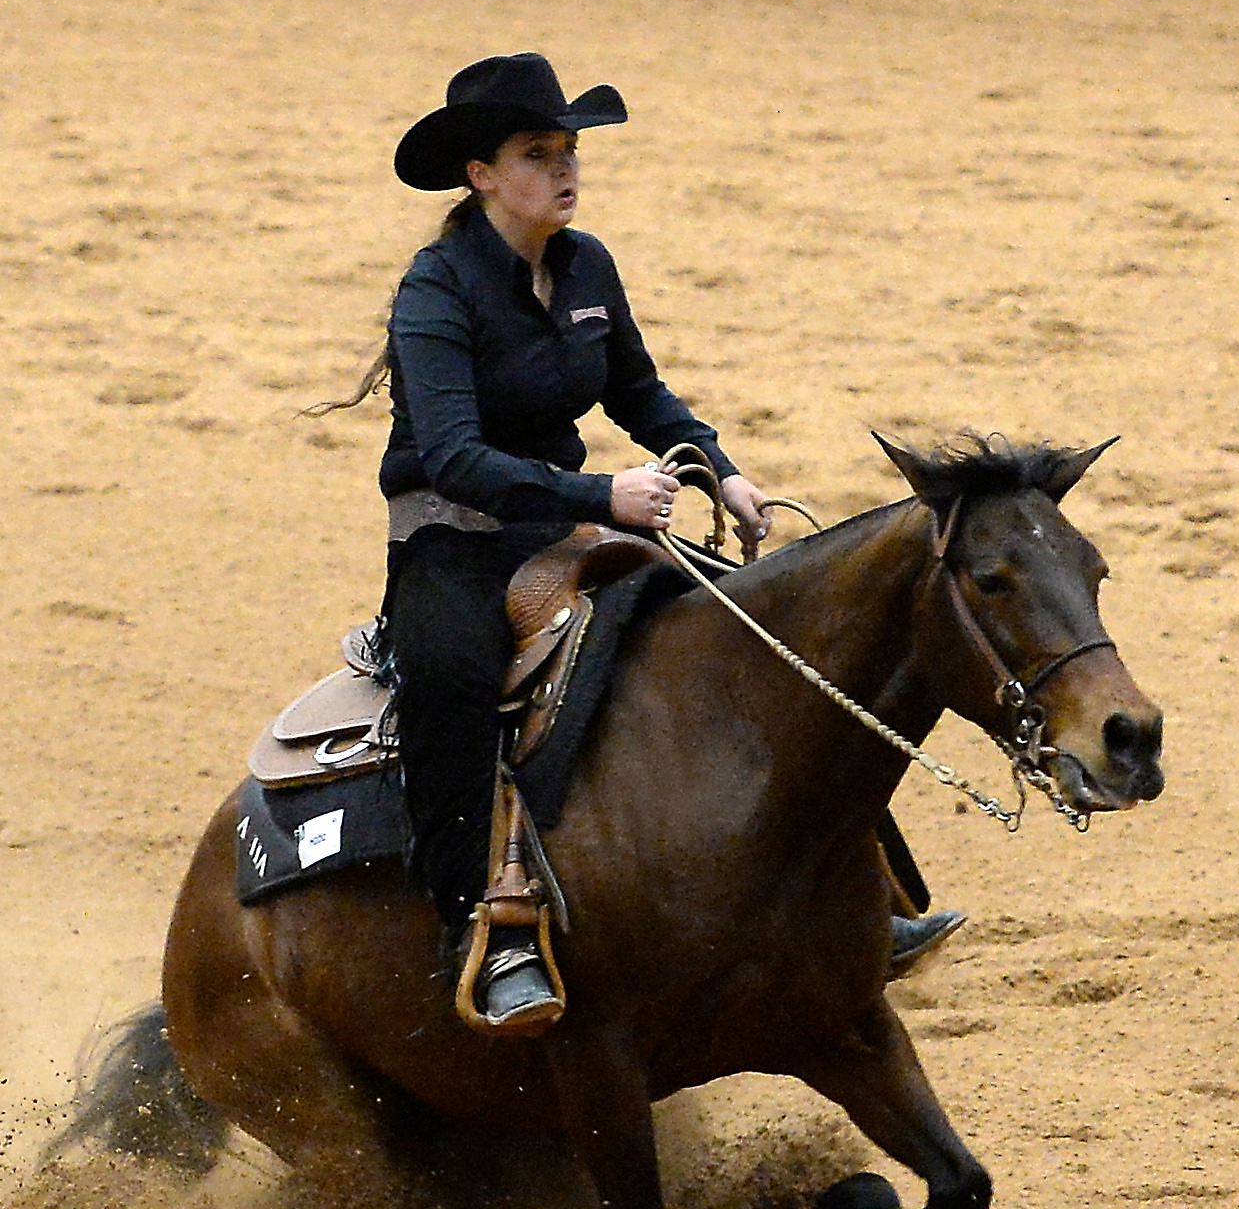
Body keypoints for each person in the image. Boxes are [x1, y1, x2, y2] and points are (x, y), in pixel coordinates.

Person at [363, 54, 958, 1030]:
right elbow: (454, 456)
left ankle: (863, 895)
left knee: (766, 635)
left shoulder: (588, 264)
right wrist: (604, 489)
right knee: (450, 677)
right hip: (454, 538)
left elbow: (637, 391)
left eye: (570, 150)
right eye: (537, 152)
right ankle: (482, 924)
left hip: (562, 524)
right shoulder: (435, 291)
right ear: (480, 175)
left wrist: (718, 466)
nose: (566, 169)